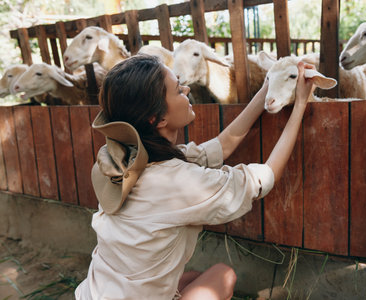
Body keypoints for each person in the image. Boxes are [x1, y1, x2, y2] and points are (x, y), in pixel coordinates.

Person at [75, 54, 315, 300]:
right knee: (223, 275)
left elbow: (223, 145)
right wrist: (299, 106)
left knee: (192, 278)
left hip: (93, 293)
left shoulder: (132, 161)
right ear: (156, 119)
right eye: (179, 90)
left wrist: (267, 87)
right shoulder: (174, 181)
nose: (187, 89)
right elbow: (265, 177)